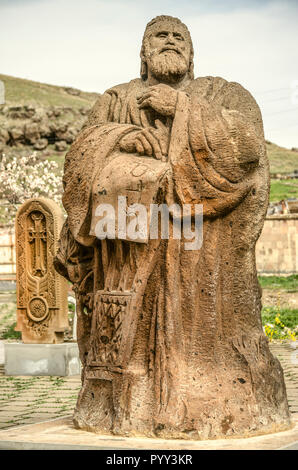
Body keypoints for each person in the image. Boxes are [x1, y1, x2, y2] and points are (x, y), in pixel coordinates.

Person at [54, 15, 290, 439]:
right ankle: (118, 407)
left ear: (192, 54)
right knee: (127, 350)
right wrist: (121, 137)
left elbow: (247, 146)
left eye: (179, 36)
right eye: (159, 36)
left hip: (202, 254)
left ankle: (213, 399)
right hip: (126, 250)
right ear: (143, 53)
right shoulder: (116, 98)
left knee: (202, 341)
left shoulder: (221, 93)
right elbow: (80, 156)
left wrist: (181, 109)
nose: (169, 41)